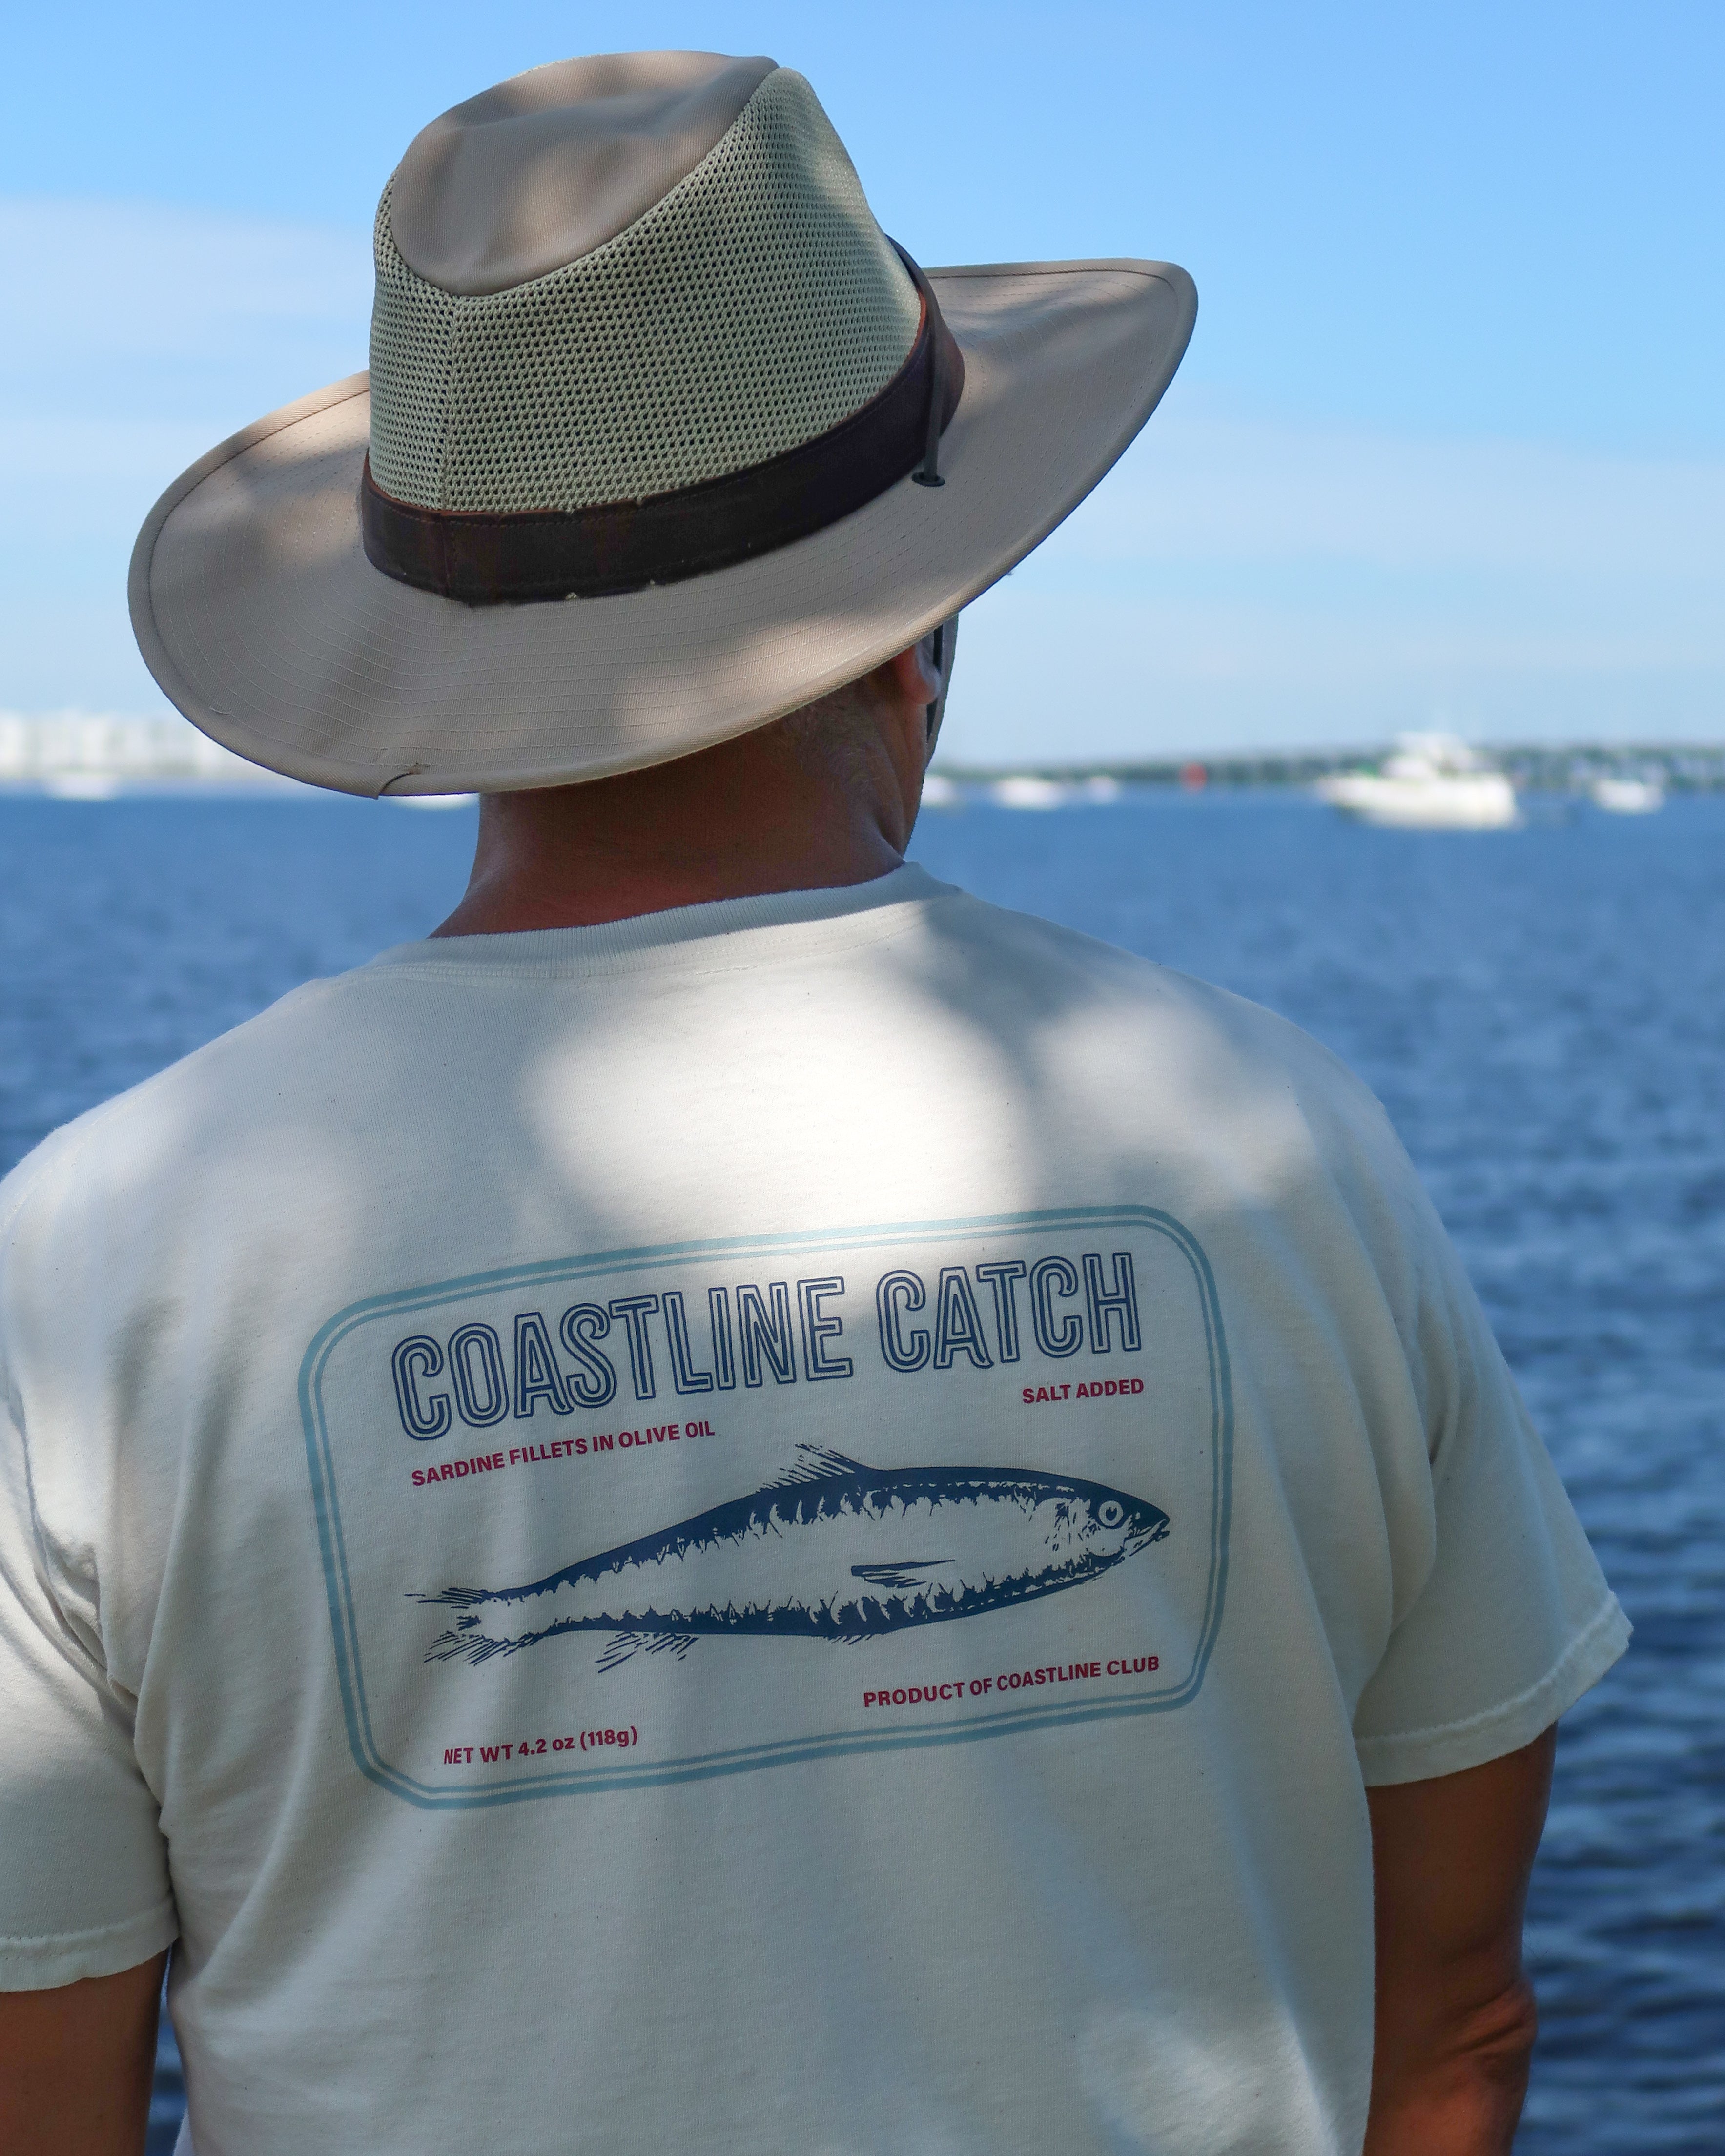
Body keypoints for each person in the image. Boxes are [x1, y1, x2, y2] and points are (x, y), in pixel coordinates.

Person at [0, 50, 1626, 2156]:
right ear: (922, 625)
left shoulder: (96, 1250)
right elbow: (1459, 2021)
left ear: (432, 648)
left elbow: (44, 2091)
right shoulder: (1269, 1139)